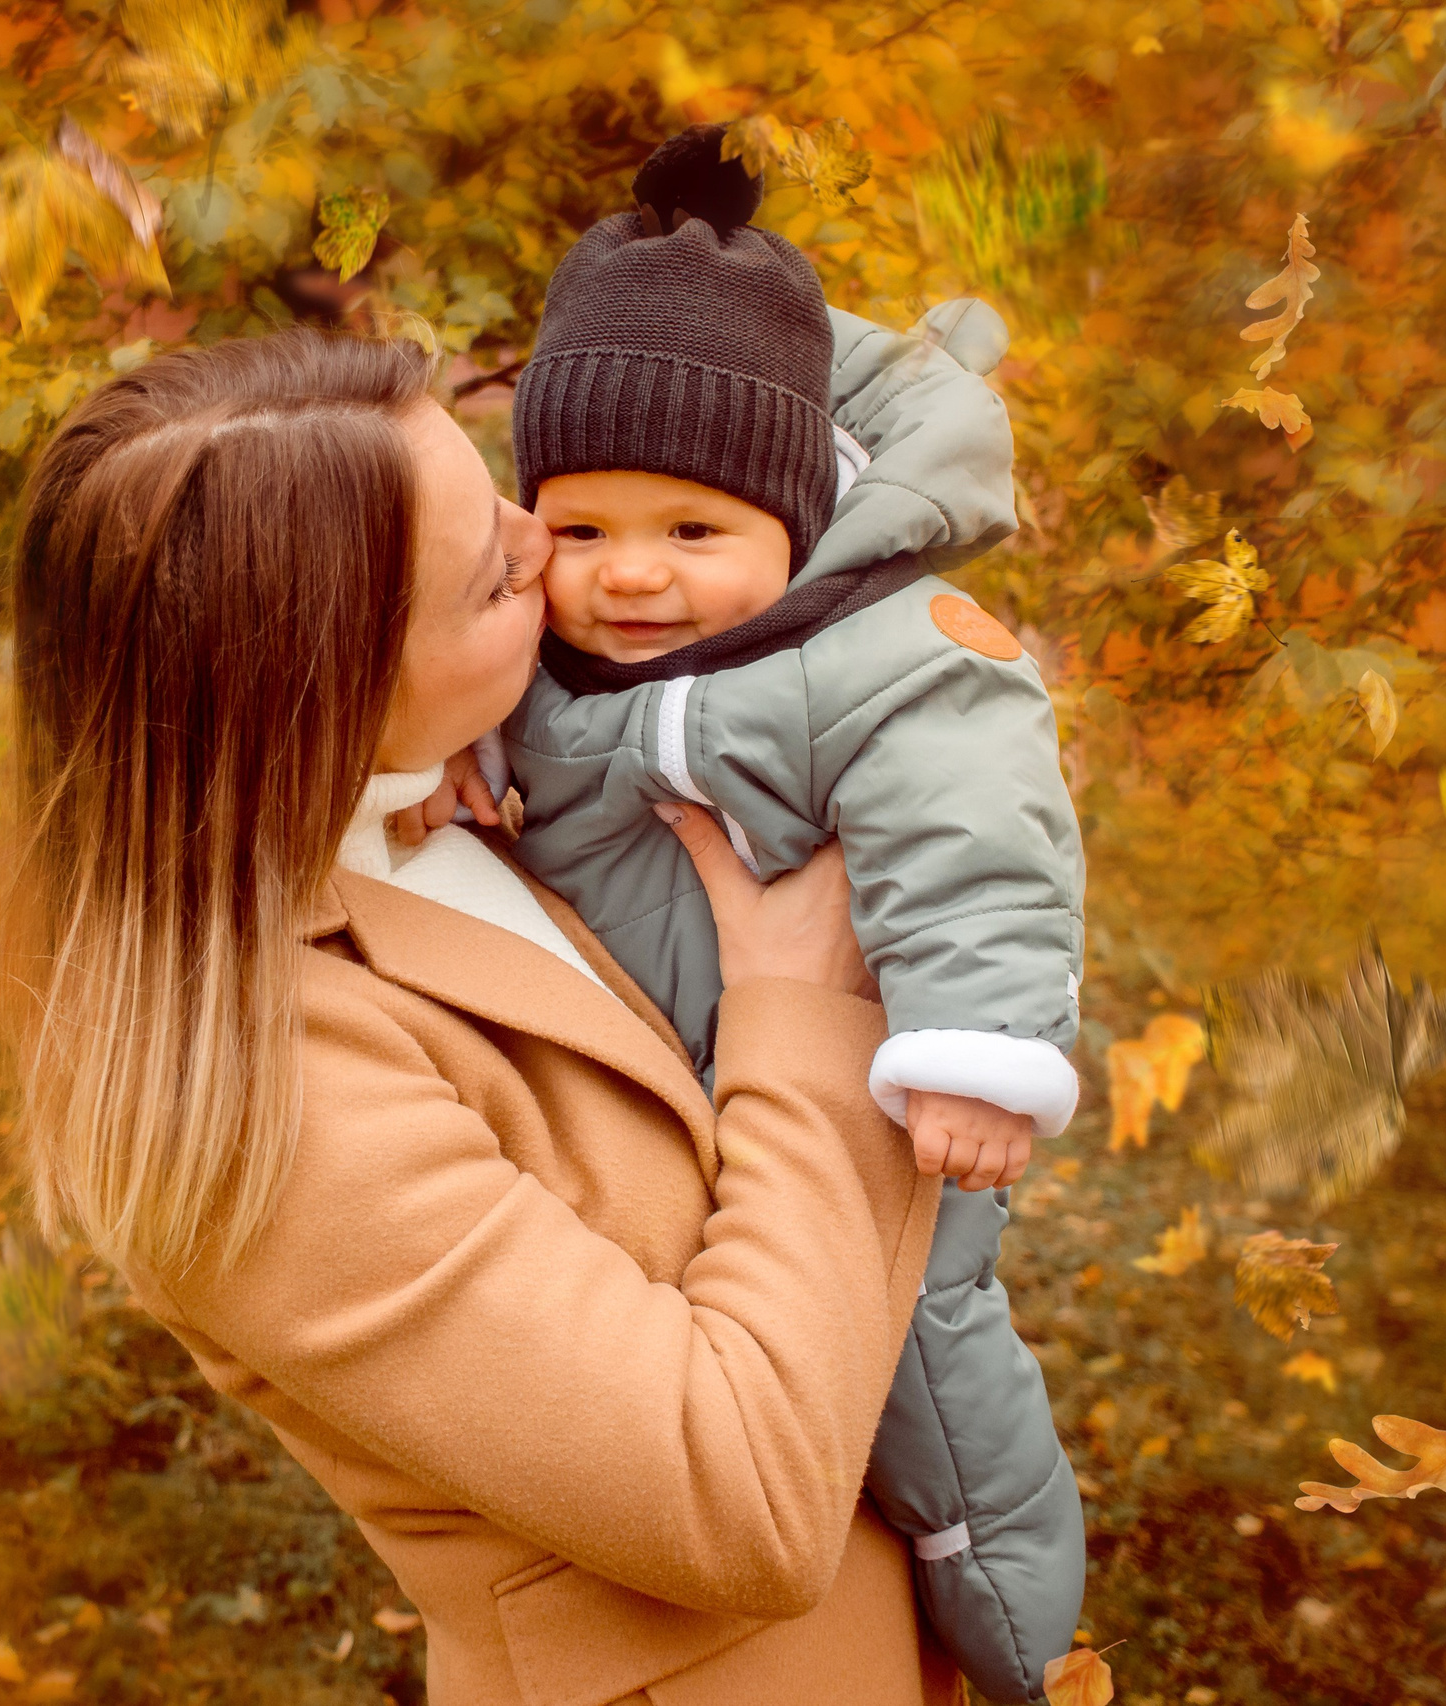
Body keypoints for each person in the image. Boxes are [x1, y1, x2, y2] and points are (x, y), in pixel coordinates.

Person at [0, 327, 964, 1704]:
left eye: (500, 495)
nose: (547, 544)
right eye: (495, 576)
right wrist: (801, 1019)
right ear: (322, 694)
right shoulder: (276, 1097)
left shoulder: (429, 794)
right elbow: (739, 1493)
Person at [494, 125, 1087, 1701]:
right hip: (672, 1103)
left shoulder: (879, 654)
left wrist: (975, 1045)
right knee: (728, 1366)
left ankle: (1009, 1608)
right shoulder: (536, 661)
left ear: (796, 522)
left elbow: (979, 833)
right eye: (583, 530)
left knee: (915, 1351)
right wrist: (438, 779)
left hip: (881, 1109)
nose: (631, 577)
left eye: (692, 533)